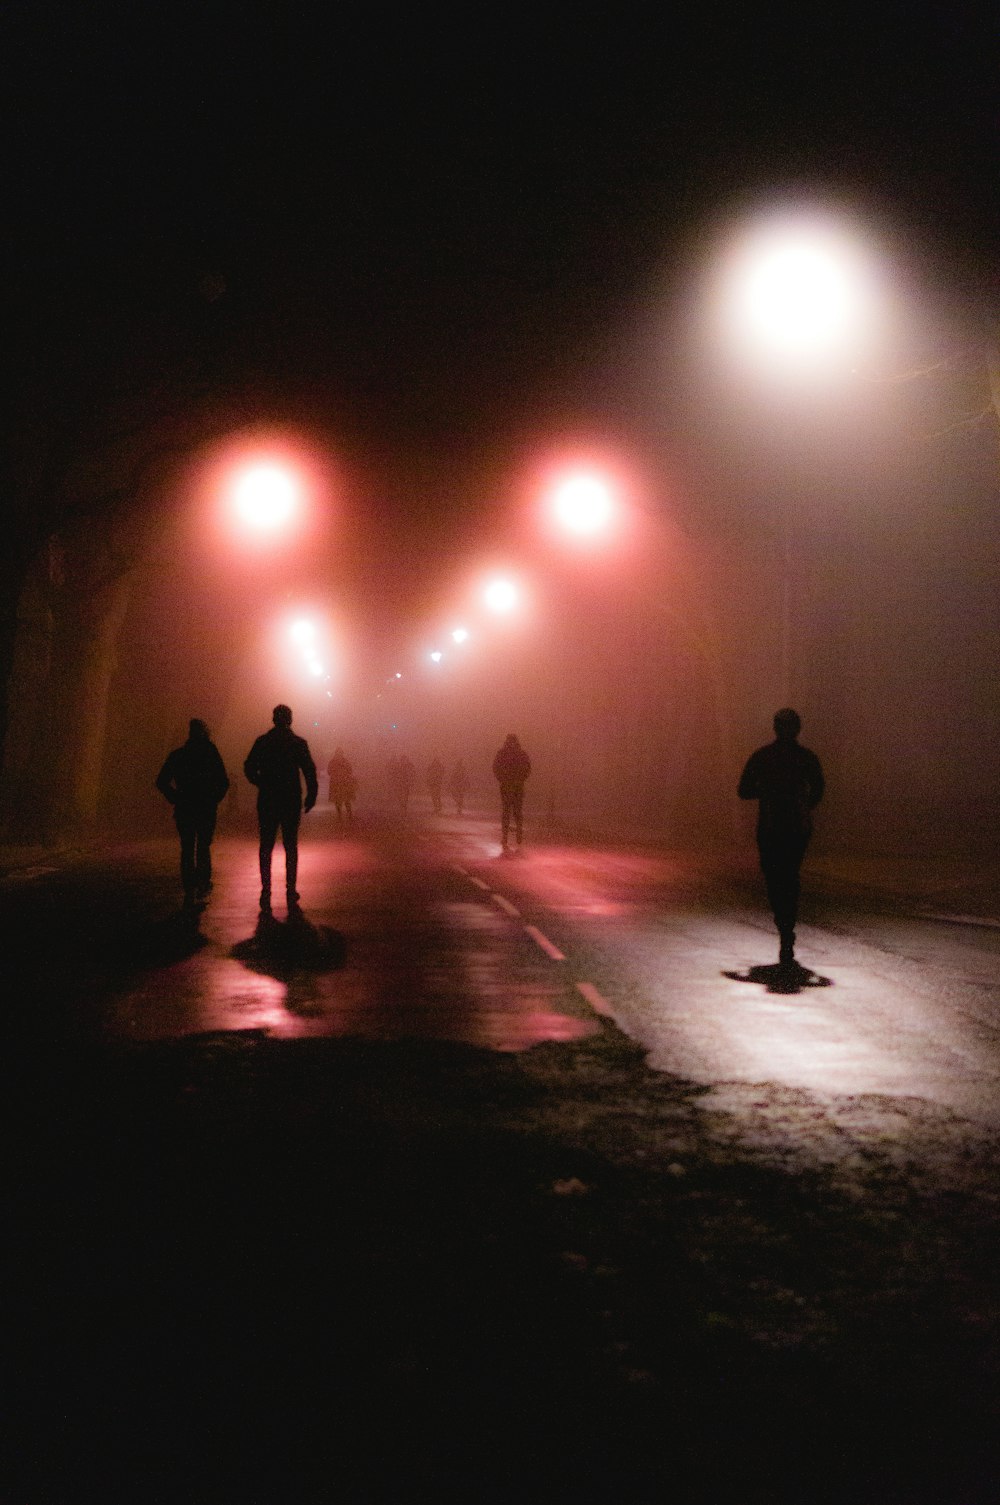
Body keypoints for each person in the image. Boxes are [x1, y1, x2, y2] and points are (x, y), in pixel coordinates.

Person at [738, 708, 825, 968]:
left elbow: (743, 790)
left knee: (774, 877)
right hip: (797, 827)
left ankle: (784, 926)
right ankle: (787, 928)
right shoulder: (806, 758)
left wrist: (766, 791)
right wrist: (804, 804)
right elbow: (819, 789)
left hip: (771, 825)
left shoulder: (763, 757)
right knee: (790, 875)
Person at [244, 704, 318, 910]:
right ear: (290, 719)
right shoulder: (297, 743)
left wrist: (260, 782)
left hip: (268, 799)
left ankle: (266, 888)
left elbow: (249, 767)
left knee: (266, 845)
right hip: (290, 799)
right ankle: (290, 887)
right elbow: (309, 771)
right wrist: (311, 795)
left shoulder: (263, 742)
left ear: (274, 719)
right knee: (290, 845)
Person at [156, 719, 230, 905]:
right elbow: (223, 781)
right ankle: (203, 883)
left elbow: (161, 781)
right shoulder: (211, 755)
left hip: (185, 808)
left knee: (187, 848)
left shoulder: (178, 755)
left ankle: (189, 886)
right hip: (205, 808)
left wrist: (175, 798)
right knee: (203, 847)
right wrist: (214, 799)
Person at [492, 732, 531, 851]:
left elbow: (496, 767)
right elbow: (528, 768)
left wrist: (502, 778)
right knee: (516, 812)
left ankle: (506, 836)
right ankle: (516, 833)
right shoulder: (521, 754)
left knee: (507, 812)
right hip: (516, 786)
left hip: (508, 786)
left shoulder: (502, 753)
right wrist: (521, 779)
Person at [326, 747, 357, 822]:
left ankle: (343, 815)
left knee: (341, 799)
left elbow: (329, 772)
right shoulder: (344, 761)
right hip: (342, 783)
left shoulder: (333, 761)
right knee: (343, 799)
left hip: (338, 783)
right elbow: (350, 771)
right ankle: (347, 815)